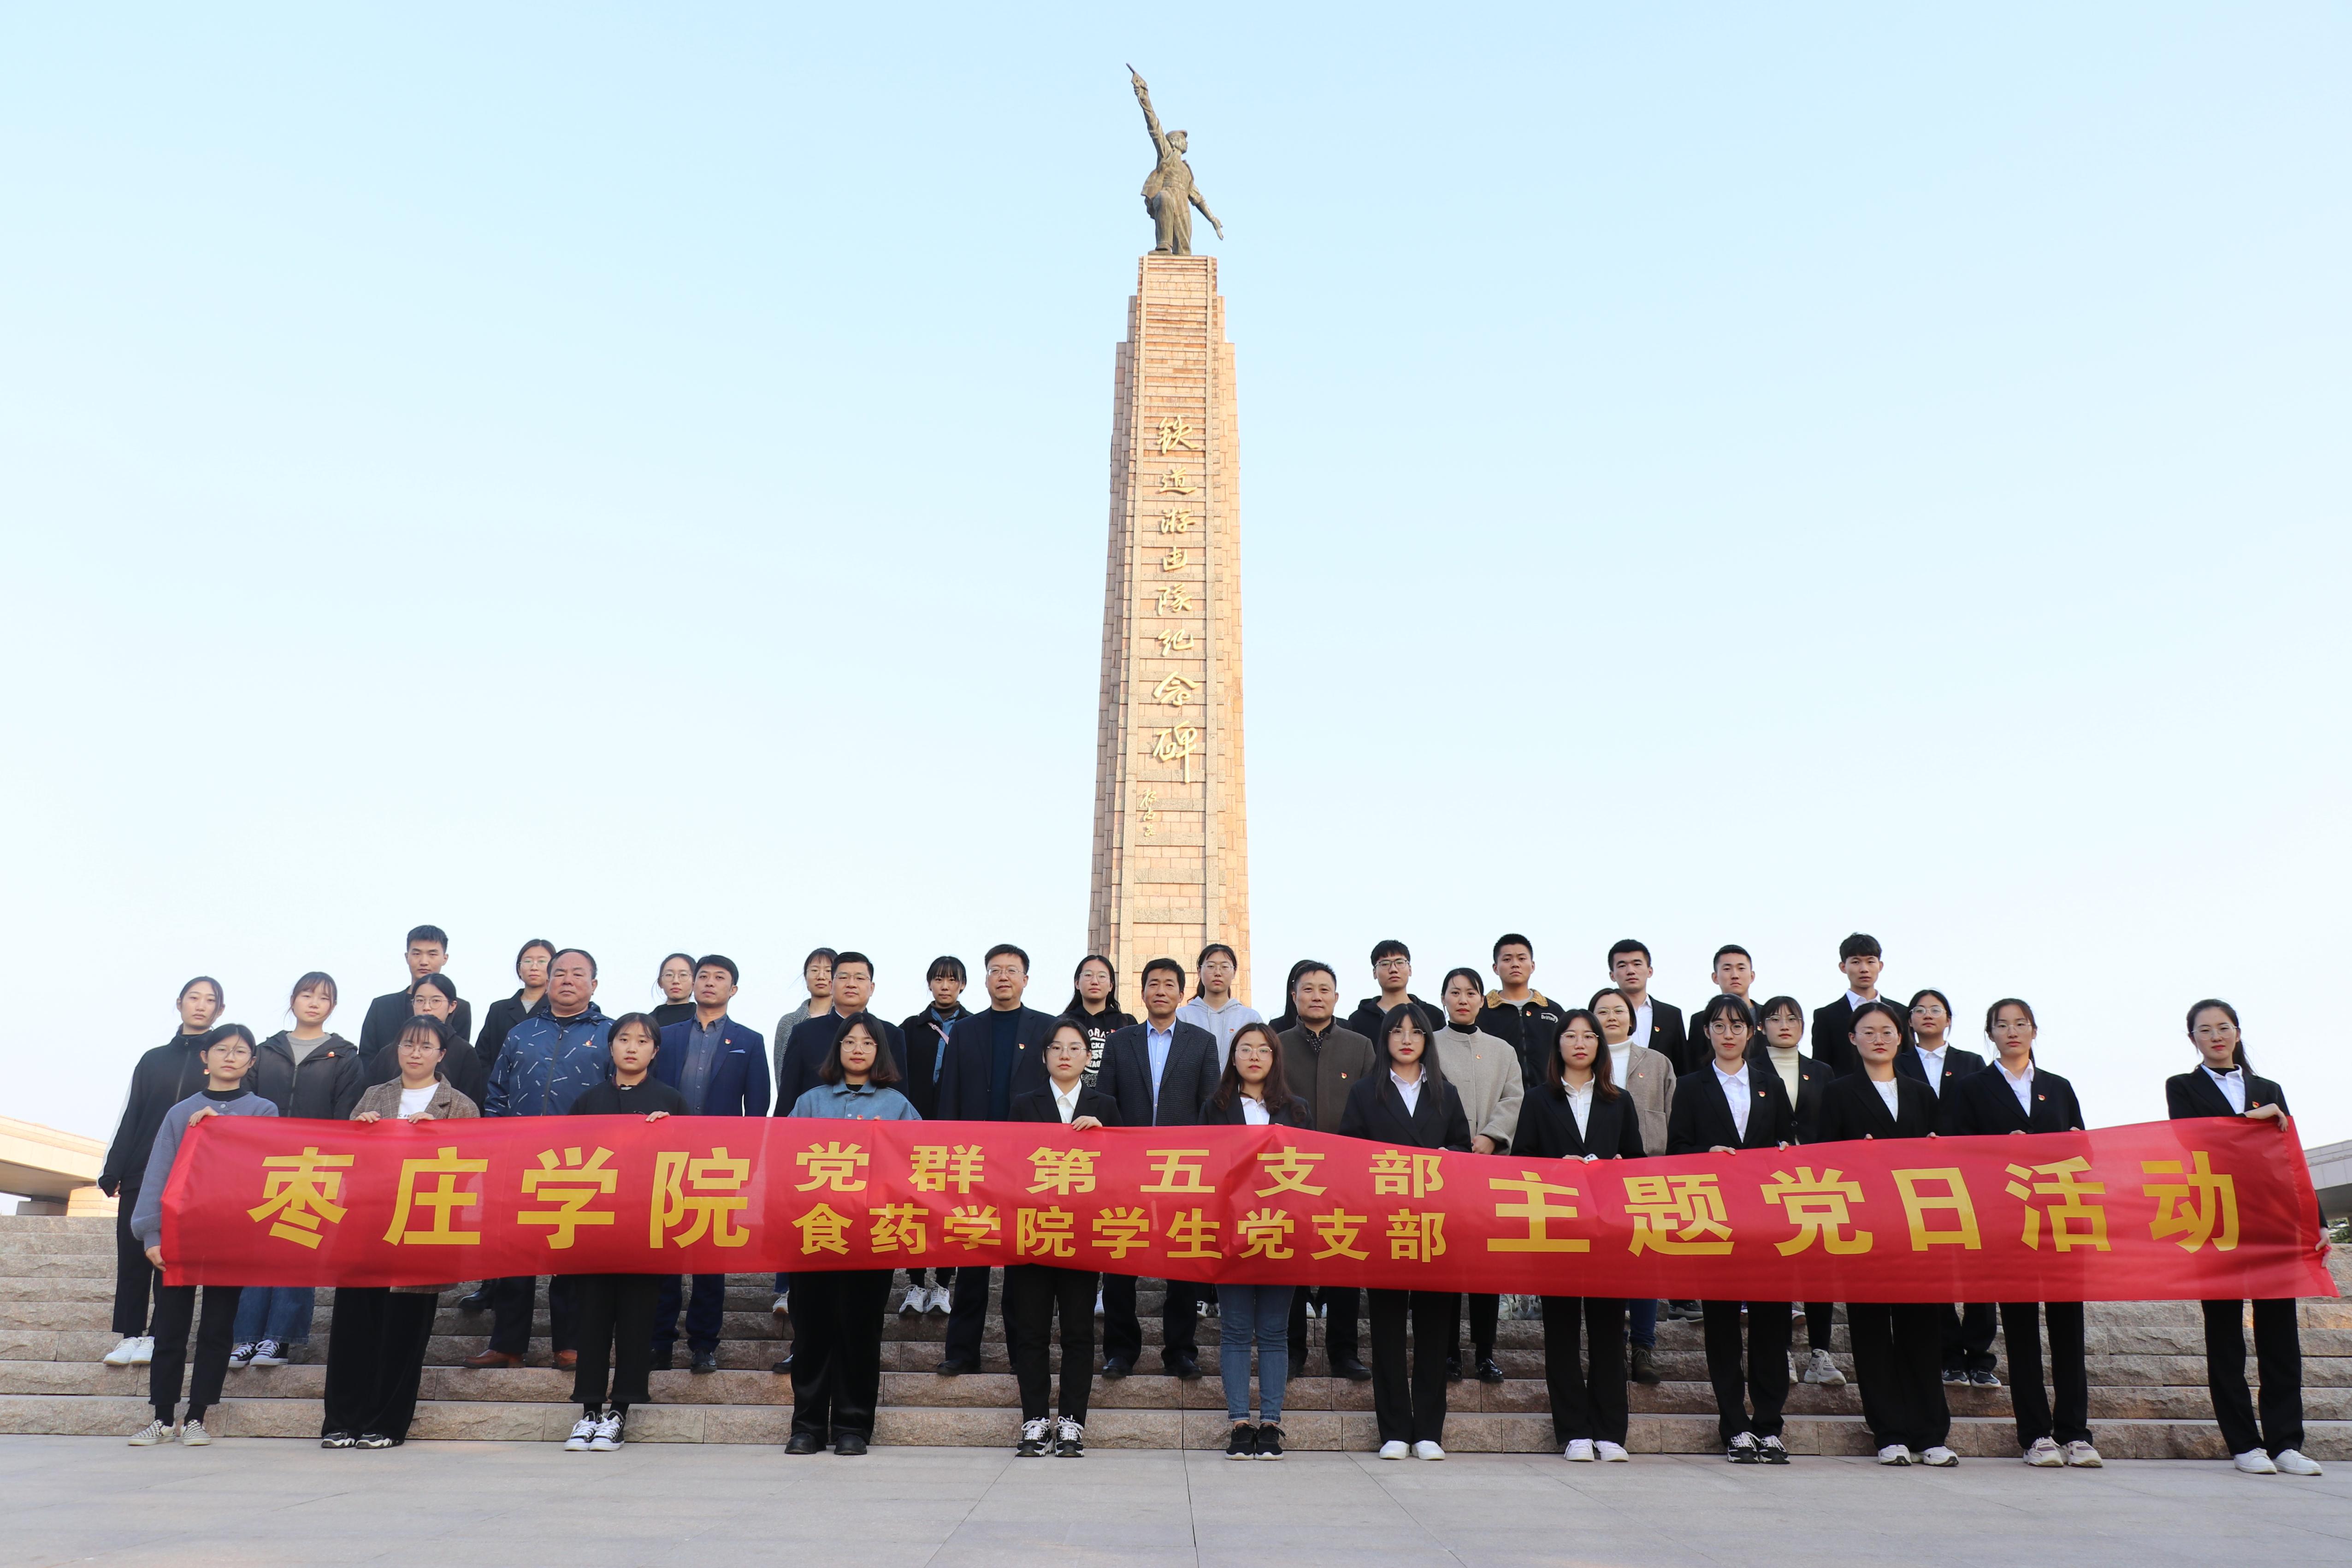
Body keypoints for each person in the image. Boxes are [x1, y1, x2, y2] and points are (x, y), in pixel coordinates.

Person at [1939, 997, 2100, 1467]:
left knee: (2069, 1329)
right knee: (2021, 1329)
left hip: (2059, 1219)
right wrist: (1998, 1149)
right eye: (2002, 1024)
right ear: (1989, 1033)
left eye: (2021, 1023)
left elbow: (2084, 1149)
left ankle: (2075, 1432)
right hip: (2007, 1221)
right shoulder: (1972, 1087)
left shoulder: (2057, 1086)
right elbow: (1958, 1151)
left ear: (2034, 1030)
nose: (2012, 1031)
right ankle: (2035, 1434)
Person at [2167, 999, 2326, 1477]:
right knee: (2224, 1337)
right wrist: (2250, 1120)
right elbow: (2193, 1140)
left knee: (2280, 1336)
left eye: (2223, 1027)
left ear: (2237, 1031)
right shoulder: (2181, 1087)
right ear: (2192, 1039)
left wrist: (2316, 1219)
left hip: (2272, 1222)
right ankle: (2243, 1443)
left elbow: (2289, 1156)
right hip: (2216, 1222)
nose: (2215, 1036)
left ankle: (2286, 1442)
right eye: (2204, 1029)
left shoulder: (2267, 1089)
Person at [325, 1016, 479, 1449]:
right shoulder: (375, 1095)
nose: (415, 1052)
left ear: (441, 1054)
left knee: (403, 1334)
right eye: (408, 1044)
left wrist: (437, 1138)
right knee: (353, 1328)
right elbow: (348, 1162)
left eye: (426, 1046)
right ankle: (341, 1421)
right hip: (367, 1228)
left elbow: (470, 1169)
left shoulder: (460, 1105)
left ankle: (387, 1424)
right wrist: (361, 1131)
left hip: (420, 1230)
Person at [125, 1024, 277, 1446]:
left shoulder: (263, 1109)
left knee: (217, 1328)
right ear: (204, 1057)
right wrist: (151, 1233)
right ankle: (162, 1417)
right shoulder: (180, 1112)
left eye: (241, 1051)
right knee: (170, 1327)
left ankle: (197, 1416)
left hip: (231, 1233)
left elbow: (263, 1162)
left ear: (251, 1062)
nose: (230, 1057)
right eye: (222, 1049)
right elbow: (158, 1173)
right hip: (180, 1232)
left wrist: (221, 1127)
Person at [1817, 1000, 1954, 1466]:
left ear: (1901, 1037)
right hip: (1865, 1229)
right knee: (1871, 1333)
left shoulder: (1921, 1093)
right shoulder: (1838, 1093)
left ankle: (1930, 1432)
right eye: (1868, 1030)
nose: (1879, 1038)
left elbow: (1944, 1158)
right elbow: (1822, 1160)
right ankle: (1889, 1432)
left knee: (1922, 1332)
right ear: (1851, 1039)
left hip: (1916, 1230)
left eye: (1887, 1031)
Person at [1668, 992, 1797, 1464]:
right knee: (1721, 1326)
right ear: (1706, 1032)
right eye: (1719, 1025)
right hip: (1715, 1221)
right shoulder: (1690, 1086)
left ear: (1751, 1031)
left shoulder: (1769, 1083)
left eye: (1737, 1025)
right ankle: (1735, 1426)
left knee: (1771, 1325)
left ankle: (1769, 1424)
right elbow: (1677, 1148)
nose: (1728, 1033)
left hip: (1766, 1224)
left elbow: (1786, 1142)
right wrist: (1706, 1156)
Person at [1341, 1003, 1472, 1460]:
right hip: (1386, 1225)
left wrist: (1449, 1155)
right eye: (1396, 1031)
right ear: (1385, 1039)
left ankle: (1429, 1430)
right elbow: (1350, 1152)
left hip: (1436, 1226)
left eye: (1416, 1032)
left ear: (1426, 1041)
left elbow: (1462, 1147)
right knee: (1387, 1330)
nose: (1406, 1039)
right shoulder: (1365, 1091)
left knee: (1435, 1329)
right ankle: (1394, 1429)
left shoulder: (1446, 1092)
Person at [471, 948, 613, 1371]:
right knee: (514, 1252)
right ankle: (507, 1344)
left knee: (570, 1254)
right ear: (547, 982)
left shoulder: (610, 1033)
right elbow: (496, 1092)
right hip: (520, 1158)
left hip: (581, 1161)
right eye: (559, 973)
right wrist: (496, 1145)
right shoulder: (521, 1032)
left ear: (594, 984)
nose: (567, 979)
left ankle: (569, 1344)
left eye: (578, 974)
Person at [784, 1013, 919, 1456]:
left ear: (880, 1051)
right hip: (816, 1231)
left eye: (867, 1043)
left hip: (871, 1235)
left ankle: (853, 1426)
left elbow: (917, 1164)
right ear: (837, 1049)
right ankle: (806, 1426)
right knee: (812, 1332)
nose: (858, 1049)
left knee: (860, 1332)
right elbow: (784, 1159)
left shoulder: (898, 1106)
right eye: (850, 1041)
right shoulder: (810, 1102)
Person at [1514, 1007, 1642, 1461]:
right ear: (1559, 1045)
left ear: (1599, 1045)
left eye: (1589, 1036)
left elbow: (1636, 1162)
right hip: (1558, 1231)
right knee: (1562, 1333)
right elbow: (1520, 1161)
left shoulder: (1619, 1100)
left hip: (1608, 1233)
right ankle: (1573, 1432)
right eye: (1570, 1035)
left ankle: (1610, 1431)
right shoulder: (1538, 1099)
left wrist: (1615, 1167)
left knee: (1609, 1331)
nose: (1580, 1043)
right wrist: (1557, 1169)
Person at [560, 1014, 686, 1453]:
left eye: (643, 1041)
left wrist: (667, 1133)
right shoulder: (588, 1100)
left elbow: (687, 1163)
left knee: (637, 1322)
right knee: (592, 1322)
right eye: (624, 1039)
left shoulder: (671, 1101)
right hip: (594, 1227)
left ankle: (619, 1413)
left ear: (655, 1051)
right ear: (610, 1046)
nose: (632, 1047)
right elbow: (567, 1159)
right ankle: (589, 1410)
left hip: (644, 1229)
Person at [933, 945, 1061, 1375]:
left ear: (1026, 979)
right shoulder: (966, 1030)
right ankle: (962, 1352)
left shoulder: (1047, 1028)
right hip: (974, 1160)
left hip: (1027, 1163)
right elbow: (950, 1094)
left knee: (1022, 1264)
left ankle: (1021, 1355)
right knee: (971, 1260)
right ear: (986, 979)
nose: (1003, 976)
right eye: (995, 970)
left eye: (1011, 970)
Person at [1094, 956, 1222, 1379]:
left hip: (1181, 1169)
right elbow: (1105, 1101)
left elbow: (1209, 1107)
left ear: (1182, 994)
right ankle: (1120, 1351)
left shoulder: (1202, 1042)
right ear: (1143, 992)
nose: (1161, 990)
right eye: (1154, 983)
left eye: (1169, 984)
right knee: (1120, 1262)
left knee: (1182, 1265)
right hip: (1127, 1168)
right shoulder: (1121, 1042)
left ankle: (1180, 1351)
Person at [235, 972, 363, 1371]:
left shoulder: (344, 1056)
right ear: (293, 999)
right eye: (307, 994)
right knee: (258, 1250)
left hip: (315, 1165)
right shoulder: (265, 1051)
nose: (314, 1002)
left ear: (333, 1007)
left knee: (297, 1249)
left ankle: (278, 1338)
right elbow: (245, 1102)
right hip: (266, 1163)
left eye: (323, 997)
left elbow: (345, 1114)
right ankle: (245, 1336)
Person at [650, 954, 769, 1373]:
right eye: (704, 976)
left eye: (720, 978)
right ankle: (659, 1341)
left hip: (720, 1163)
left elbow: (757, 1107)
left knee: (710, 1256)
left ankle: (704, 1344)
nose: (710, 983)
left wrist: (749, 1164)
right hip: (669, 1159)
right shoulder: (666, 1036)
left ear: (733, 989)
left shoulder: (749, 1040)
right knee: (665, 1253)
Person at [1006, 1020, 1119, 1457]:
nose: (1066, 1055)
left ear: (1088, 1057)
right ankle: (1035, 1420)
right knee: (1031, 1331)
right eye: (1057, 1048)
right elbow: (1008, 1164)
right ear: (1045, 1056)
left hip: (1082, 1237)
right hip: (1033, 1233)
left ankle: (1072, 1421)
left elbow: (1123, 1169)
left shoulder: (1104, 1105)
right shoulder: (1024, 1104)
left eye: (1075, 1048)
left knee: (1078, 1331)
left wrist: (1104, 1136)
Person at [100, 976, 224, 1369]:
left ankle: (157, 1334)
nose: (200, 1005)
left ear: (220, 1010)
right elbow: (133, 1112)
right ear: (180, 1003)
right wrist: (114, 1167)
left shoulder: (220, 1060)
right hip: (141, 1170)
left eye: (210, 1000)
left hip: (191, 1173)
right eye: (194, 997)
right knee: (132, 1253)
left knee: (168, 1254)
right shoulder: (153, 1059)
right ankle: (129, 1334)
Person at [1201, 1021, 1312, 1458]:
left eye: (1263, 1050)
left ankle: (1270, 1422)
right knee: (1234, 1330)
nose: (1254, 1056)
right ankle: (1238, 1421)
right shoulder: (1215, 1107)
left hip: (1280, 1231)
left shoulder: (1298, 1110)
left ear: (1275, 1058)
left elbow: (1311, 1171)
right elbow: (1205, 1167)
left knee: (1273, 1331)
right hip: (1230, 1232)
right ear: (1233, 1058)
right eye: (1245, 1049)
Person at [1278, 960, 1374, 1382]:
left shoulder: (1361, 1046)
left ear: (1337, 997)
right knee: (1293, 1261)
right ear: (1294, 996)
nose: (1316, 996)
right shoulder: (1277, 1044)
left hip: (1346, 1172)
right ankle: (1292, 1349)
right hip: (1291, 1171)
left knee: (1344, 1258)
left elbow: (1375, 1103)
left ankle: (1344, 1352)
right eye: (1308, 989)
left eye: (1324, 989)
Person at [1897, 988, 1996, 1389]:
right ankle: (1950, 1356)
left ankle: (1981, 1357)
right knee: (1934, 1264)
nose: (1928, 1015)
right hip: (1917, 1178)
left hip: (1968, 1176)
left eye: (1936, 1009)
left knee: (1978, 1268)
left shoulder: (1971, 1062)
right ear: (1909, 1021)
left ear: (1949, 1019)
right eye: (1919, 1010)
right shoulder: (1898, 1062)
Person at [1435, 966, 1524, 1384]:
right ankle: (1448, 1351)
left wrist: (1492, 1136)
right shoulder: (1430, 1045)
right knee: (1448, 1260)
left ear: (1482, 1000)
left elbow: (1514, 1098)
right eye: (1455, 992)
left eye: (1471, 992)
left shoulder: (1502, 1050)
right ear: (1443, 999)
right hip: (1444, 1170)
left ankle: (1486, 1352)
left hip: (1491, 1170)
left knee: (1487, 1264)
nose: (1463, 999)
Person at [1754, 994, 1841, 1388]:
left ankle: (1820, 1352)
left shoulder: (1822, 1071)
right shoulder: (1751, 1069)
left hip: (1816, 1181)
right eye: (1775, 1018)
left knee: (1819, 1267)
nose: (1784, 1025)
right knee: (1778, 1265)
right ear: (1761, 1027)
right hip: (1769, 1182)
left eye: (1792, 1018)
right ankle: (1782, 1351)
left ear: (1804, 1027)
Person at [1591, 985, 1681, 1365]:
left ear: (1632, 1019)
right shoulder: (1582, 1061)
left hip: (1648, 1175)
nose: (1611, 1017)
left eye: (1619, 1010)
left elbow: (1674, 1118)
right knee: (1605, 1263)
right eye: (1602, 1011)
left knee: (1645, 1259)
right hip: (1594, 1180)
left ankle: (1644, 1345)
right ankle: (1612, 1343)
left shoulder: (1658, 1062)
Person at [768, 945, 837, 1347]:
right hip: (800, 1123)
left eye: (829, 969)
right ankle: (784, 1287)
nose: (822, 976)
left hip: (840, 1132)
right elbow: (784, 1072)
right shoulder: (791, 1022)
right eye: (815, 969)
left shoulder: (851, 1022)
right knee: (793, 1206)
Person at [894, 955, 971, 1317]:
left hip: (957, 1132)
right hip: (915, 1129)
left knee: (950, 1207)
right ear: (929, 984)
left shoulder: (973, 1027)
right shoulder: (910, 1028)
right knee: (914, 1205)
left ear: (962, 985)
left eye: (952, 979)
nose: (945, 986)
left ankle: (942, 1283)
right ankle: (915, 1282)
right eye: (939, 979)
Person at [776, 953, 905, 1107]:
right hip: (815, 1120)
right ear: (831, 986)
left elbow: (901, 1100)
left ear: (871, 988)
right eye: (843, 977)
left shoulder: (891, 1035)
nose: (851, 984)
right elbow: (788, 1096)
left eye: (860, 978)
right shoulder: (804, 1033)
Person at [363, 972, 487, 1103]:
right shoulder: (390, 1051)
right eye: (420, 1001)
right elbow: (367, 1099)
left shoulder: (465, 1053)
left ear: (452, 1006)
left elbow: (470, 1106)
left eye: (436, 1001)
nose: (427, 1008)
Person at [357, 924, 473, 1064]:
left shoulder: (460, 1008)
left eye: (432, 954)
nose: (424, 962)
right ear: (407, 957)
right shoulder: (382, 1006)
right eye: (417, 954)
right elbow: (367, 1057)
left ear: (445, 958)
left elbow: (459, 1057)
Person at [1477, 933, 1565, 1089]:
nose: (1515, 964)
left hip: (1550, 1096)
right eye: (1507, 959)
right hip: (1500, 1098)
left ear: (1533, 966)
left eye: (1522, 958)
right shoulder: (1481, 1011)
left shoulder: (1553, 1011)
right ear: (1496, 968)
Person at [1809, 932, 1897, 1078]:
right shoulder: (1826, 1016)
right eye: (1856, 962)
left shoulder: (1900, 1012)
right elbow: (1821, 1067)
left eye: (1871, 962)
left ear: (1880, 966)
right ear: (1843, 967)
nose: (1864, 969)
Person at [472, 937, 555, 1083]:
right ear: (519, 969)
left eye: (542, 961)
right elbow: (482, 1057)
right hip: (499, 1089)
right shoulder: (499, 1010)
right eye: (528, 961)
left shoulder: (557, 1010)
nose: (534, 967)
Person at [1607, 938, 1690, 1073]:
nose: (1631, 971)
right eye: (1622, 966)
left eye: (1637, 964)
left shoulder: (1671, 1015)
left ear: (1650, 971)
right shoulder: (1603, 1016)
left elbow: (1683, 1066)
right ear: (1612, 975)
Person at [1177, 941, 1262, 1059]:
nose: (1218, 973)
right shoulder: (1182, 1017)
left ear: (1234, 973)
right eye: (1211, 966)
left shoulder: (1250, 1018)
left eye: (1225, 967)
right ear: (1199, 971)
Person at [1347, 938, 1441, 1041]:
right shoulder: (1359, 1019)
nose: (1393, 970)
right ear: (1375, 973)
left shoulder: (1433, 1015)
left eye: (1400, 963)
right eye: (1385, 964)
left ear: (1410, 970)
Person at [1061, 953, 1134, 1085]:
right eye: (1088, 975)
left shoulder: (1126, 1023)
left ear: (1111, 985)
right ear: (1077, 983)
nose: (1095, 981)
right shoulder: (1061, 1023)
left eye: (1102, 976)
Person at [649, 953, 697, 1029]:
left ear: (695, 981)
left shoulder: (703, 1019)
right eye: (669, 975)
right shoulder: (647, 1023)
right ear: (660, 982)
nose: (676, 981)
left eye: (683, 975)